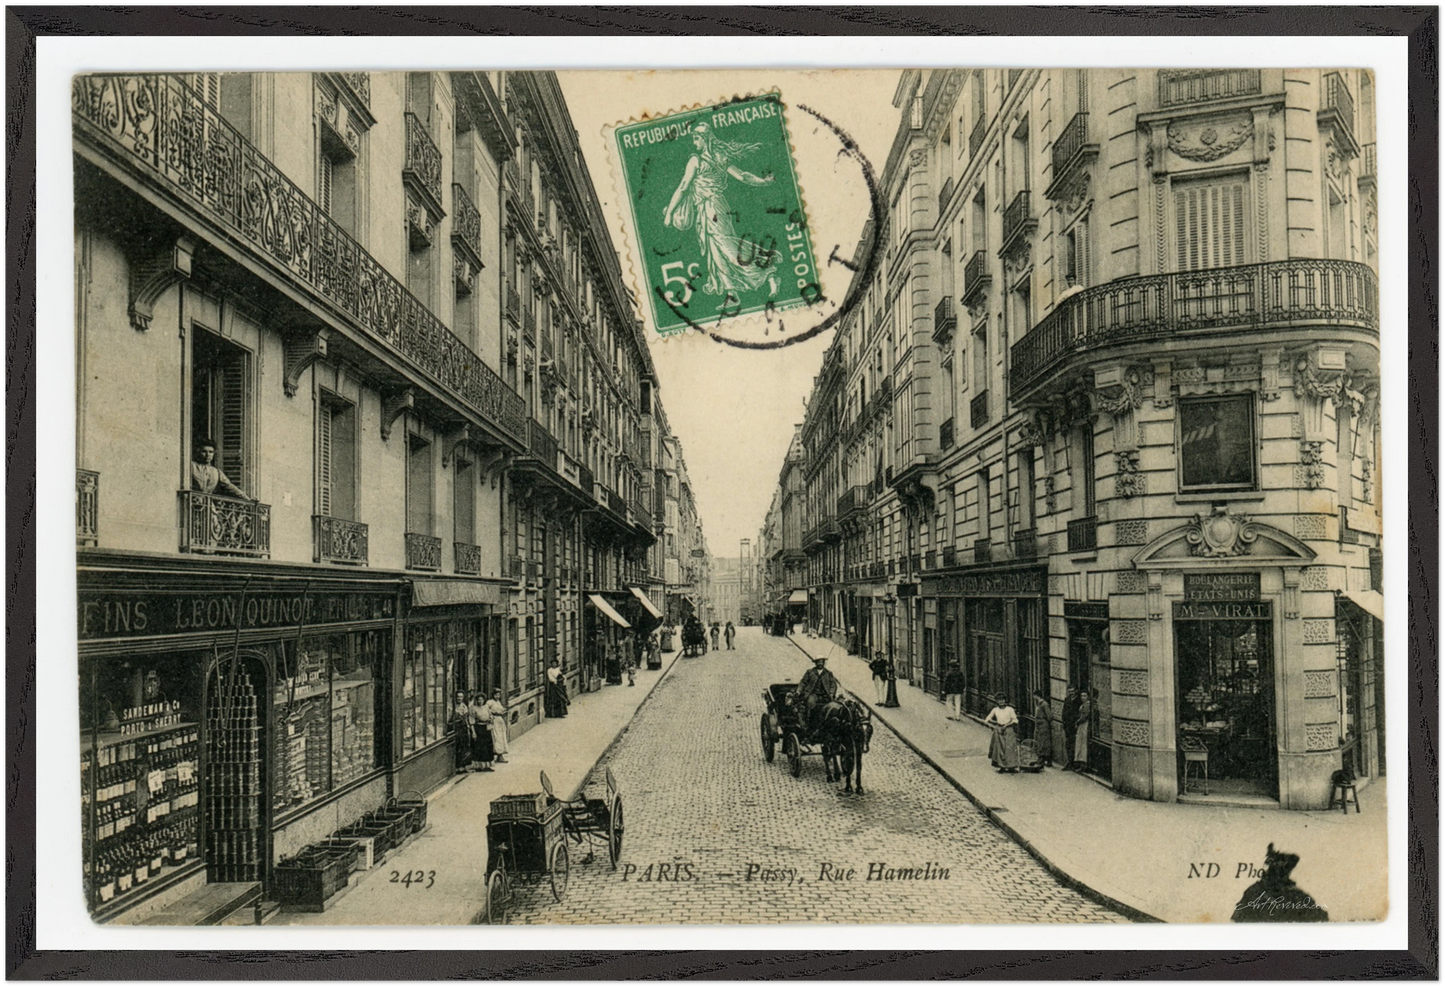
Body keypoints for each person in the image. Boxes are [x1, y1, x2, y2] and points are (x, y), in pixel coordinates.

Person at [662, 121, 781, 308]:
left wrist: (669, 213)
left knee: (727, 248)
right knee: (715, 252)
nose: (694, 143)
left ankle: (769, 273)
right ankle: (732, 294)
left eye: (696, 138)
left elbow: (684, 187)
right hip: (708, 209)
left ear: (705, 139)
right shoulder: (719, 156)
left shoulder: (698, 160)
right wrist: (763, 182)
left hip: (713, 207)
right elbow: (742, 176)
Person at [1231, 844, 1329, 923]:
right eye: (1276, 868)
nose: (1279, 872)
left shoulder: (1297, 896)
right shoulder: (1254, 892)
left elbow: (1319, 919)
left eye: (1285, 868)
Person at [795, 653, 840, 735]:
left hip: (825, 695)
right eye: (818, 662)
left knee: (832, 708)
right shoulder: (810, 672)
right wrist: (798, 691)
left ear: (823, 663)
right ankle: (809, 723)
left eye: (821, 662)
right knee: (810, 703)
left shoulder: (828, 673)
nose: (820, 663)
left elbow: (833, 685)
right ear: (815, 663)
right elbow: (803, 683)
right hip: (813, 694)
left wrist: (831, 693)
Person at [984, 694, 1021, 773]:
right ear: (996, 701)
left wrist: (1006, 725)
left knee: (1009, 748)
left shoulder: (1010, 709)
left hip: (1008, 729)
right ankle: (1002, 767)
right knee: (1000, 748)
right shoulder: (995, 710)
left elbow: (1015, 720)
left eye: (1002, 700)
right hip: (999, 730)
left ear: (1005, 700)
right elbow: (987, 719)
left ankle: (1011, 767)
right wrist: (995, 724)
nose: (1001, 702)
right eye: (999, 700)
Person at [468, 691, 495, 770]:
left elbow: (490, 715)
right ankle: (479, 766)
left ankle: (487, 765)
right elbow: (471, 721)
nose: (480, 701)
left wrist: (491, 719)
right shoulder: (473, 708)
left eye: (482, 699)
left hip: (486, 728)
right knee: (479, 747)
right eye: (479, 699)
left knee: (488, 746)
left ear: (484, 700)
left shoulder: (486, 707)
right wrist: (473, 732)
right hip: (478, 729)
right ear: (476, 700)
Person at [452, 691, 475, 773]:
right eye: (458, 696)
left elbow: (467, 718)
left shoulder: (464, 706)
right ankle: (457, 766)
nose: (459, 698)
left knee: (464, 746)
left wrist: (469, 728)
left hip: (464, 728)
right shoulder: (452, 706)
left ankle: (464, 766)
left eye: (461, 697)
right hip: (456, 729)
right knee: (458, 747)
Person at [1030, 689, 1054, 767]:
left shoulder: (1044, 704)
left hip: (1043, 725)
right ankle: (1043, 760)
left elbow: (1049, 716)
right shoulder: (1039, 704)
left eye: (1034, 695)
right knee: (1040, 742)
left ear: (1037, 696)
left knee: (1044, 743)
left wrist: (1045, 723)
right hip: (1039, 725)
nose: (1033, 697)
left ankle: (1043, 760)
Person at [484, 689, 509, 764]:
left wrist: (504, 710)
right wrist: (492, 713)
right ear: (493, 695)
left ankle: (500, 755)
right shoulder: (490, 702)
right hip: (494, 721)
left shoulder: (498, 702)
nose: (497, 696)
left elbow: (500, 710)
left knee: (501, 737)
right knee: (496, 737)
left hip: (500, 720)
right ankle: (497, 754)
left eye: (498, 695)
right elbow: (485, 710)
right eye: (496, 695)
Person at [1073, 688, 1095, 774]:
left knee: (1083, 744)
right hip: (1081, 726)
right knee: (1081, 744)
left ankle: (1084, 765)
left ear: (1088, 697)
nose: (1083, 697)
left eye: (1085, 696)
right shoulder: (1083, 704)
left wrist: (1077, 722)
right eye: (1082, 696)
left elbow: (1084, 716)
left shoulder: (1087, 705)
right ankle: (1081, 764)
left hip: (1085, 725)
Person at [1061, 687, 1081, 771]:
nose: (1071, 693)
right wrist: (1064, 721)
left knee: (1075, 744)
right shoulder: (1067, 699)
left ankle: (1074, 763)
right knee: (1068, 744)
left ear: (1075, 691)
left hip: (1075, 725)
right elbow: (1064, 711)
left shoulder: (1079, 700)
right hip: (1068, 726)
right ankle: (1069, 762)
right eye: (1069, 691)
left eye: (1072, 691)